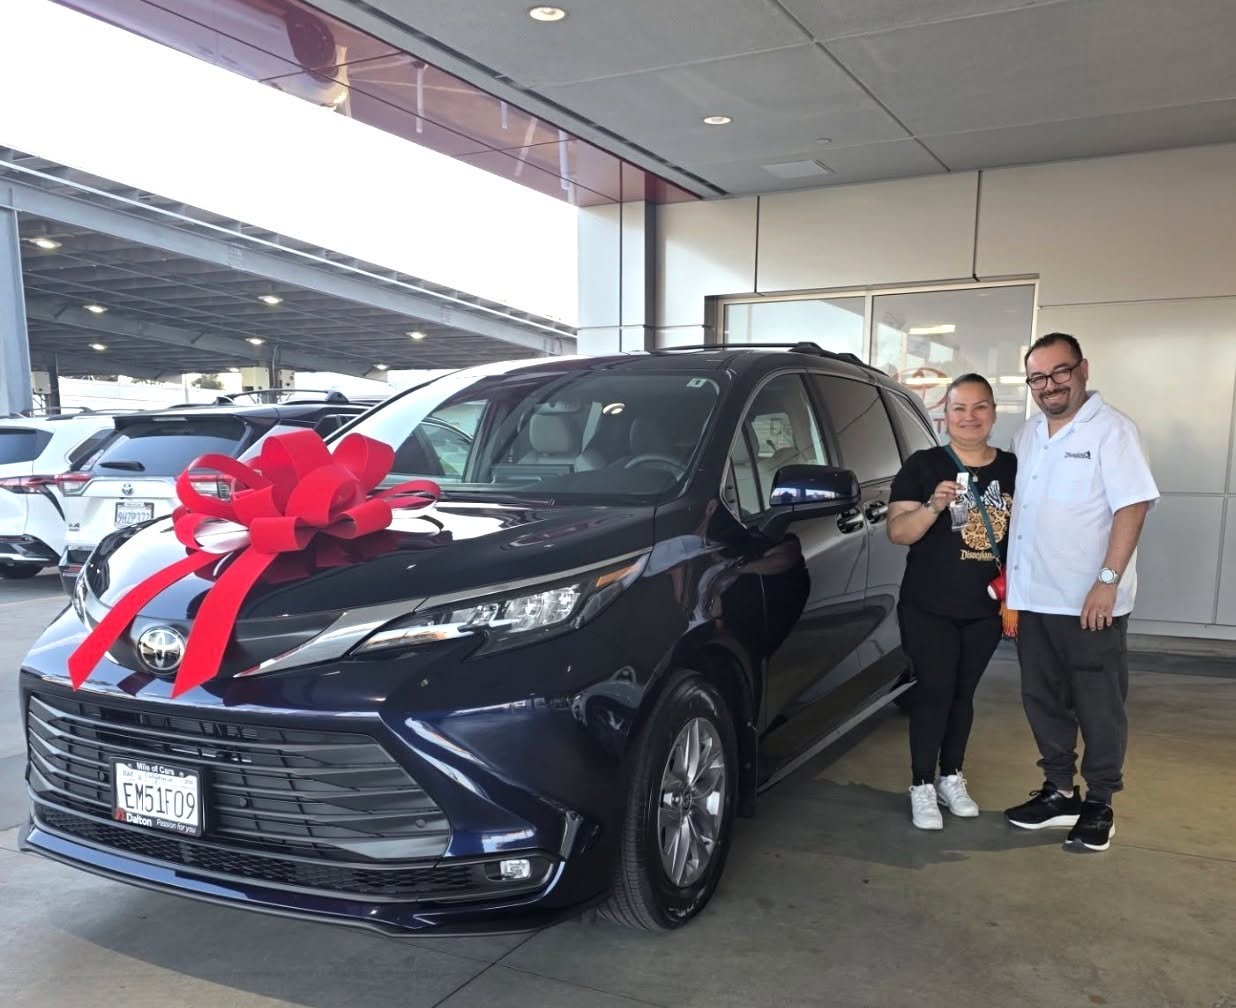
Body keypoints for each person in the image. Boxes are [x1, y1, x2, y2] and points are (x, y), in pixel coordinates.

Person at [1003, 332, 1158, 853]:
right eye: (1038, 377)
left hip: (1090, 602)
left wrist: (1107, 582)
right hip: (1034, 596)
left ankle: (1099, 802)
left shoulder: (1113, 431)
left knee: (1098, 703)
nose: (1049, 386)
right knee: (1042, 699)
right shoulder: (1027, 436)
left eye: (1059, 372)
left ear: (1083, 369)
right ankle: (1059, 791)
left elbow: (1131, 507)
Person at [888, 374, 1016, 830]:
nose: (970, 417)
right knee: (935, 690)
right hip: (928, 606)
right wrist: (933, 506)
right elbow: (898, 532)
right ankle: (922, 784)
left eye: (980, 407)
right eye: (960, 408)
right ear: (945, 416)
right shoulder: (922, 465)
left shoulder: (1013, 468)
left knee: (964, 694)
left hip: (984, 609)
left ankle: (951, 777)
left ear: (993, 413)